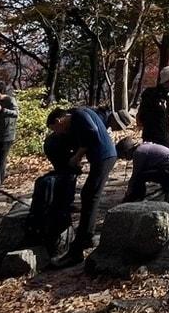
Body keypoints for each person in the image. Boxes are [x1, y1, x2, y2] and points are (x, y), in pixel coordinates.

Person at [46, 105, 119, 266]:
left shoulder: (78, 115)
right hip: (102, 156)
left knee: (90, 195)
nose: (58, 133)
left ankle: (79, 247)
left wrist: (77, 156)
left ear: (59, 120)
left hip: (104, 156)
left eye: (55, 129)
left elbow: (92, 132)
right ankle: (87, 236)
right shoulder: (79, 115)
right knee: (88, 194)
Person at [139, 66, 169, 149]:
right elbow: (143, 114)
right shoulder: (151, 94)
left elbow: (167, 112)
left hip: (164, 131)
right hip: (152, 133)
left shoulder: (168, 96)